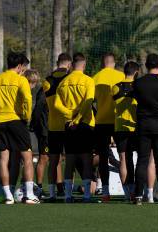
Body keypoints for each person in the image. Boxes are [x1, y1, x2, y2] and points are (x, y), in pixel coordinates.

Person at [0, 52, 39, 205]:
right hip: (17, 121)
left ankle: (7, 196)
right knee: (28, 159)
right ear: (19, 66)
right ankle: (29, 196)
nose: (23, 70)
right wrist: (26, 116)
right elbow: (27, 99)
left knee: (3, 160)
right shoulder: (20, 80)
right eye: (23, 67)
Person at [131, 54, 158, 205]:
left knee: (142, 160)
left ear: (146, 65)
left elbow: (134, 97)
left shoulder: (138, 83)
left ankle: (137, 196)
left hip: (144, 125)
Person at [54, 53, 96, 203]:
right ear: (84, 65)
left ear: (72, 65)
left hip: (68, 125)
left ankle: (67, 196)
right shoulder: (88, 81)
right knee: (86, 159)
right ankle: (86, 196)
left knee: (70, 160)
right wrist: (77, 118)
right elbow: (88, 102)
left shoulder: (63, 82)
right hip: (85, 124)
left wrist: (70, 115)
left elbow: (56, 105)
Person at [92, 52, 126, 202]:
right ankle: (128, 191)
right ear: (113, 63)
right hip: (118, 121)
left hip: (101, 122)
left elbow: (91, 101)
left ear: (102, 63)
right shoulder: (121, 76)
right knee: (123, 156)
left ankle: (105, 192)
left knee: (103, 158)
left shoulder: (95, 78)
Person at [43, 53, 72, 201]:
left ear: (57, 62)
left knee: (53, 161)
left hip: (53, 126)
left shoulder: (47, 81)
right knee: (70, 160)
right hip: (68, 123)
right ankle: (68, 193)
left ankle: (52, 193)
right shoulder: (70, 79)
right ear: (69, 64)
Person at [112, 61, 140, 201]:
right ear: (136, 72)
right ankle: (140, 190)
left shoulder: (115, 87)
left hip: (120, 127)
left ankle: (127, 194)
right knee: (141, 158)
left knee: (123, 158)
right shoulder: (139, 87)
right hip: (135, 127)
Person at [25, 69, 47, 198]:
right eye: (33, 82)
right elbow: (37, 109)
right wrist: (33, 123)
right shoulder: (44, 91)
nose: (34, 85)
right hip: (44, 129)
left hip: (46, 128)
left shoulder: (39, 90)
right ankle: (38, 187)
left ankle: (60, 187)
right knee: (43, 158)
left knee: (53, 158)